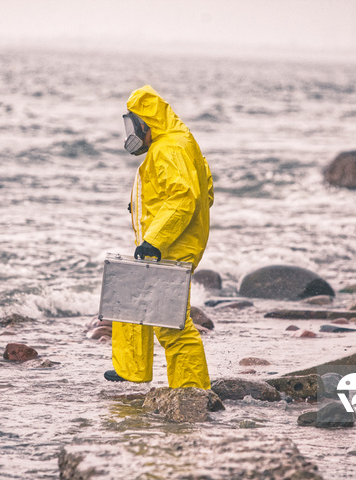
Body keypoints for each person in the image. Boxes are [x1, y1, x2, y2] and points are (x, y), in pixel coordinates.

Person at [104, 85, 213, 389]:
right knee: (128, 293)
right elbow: (204, 191)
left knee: (171, 327)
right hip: (168, 244)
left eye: (134, 125)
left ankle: (192, 390)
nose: (131, 133)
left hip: (170, 247)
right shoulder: (181, 143)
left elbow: (182, 198)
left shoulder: (169, 149)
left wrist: (157, 239)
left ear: (147, 122)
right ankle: (132, 368)